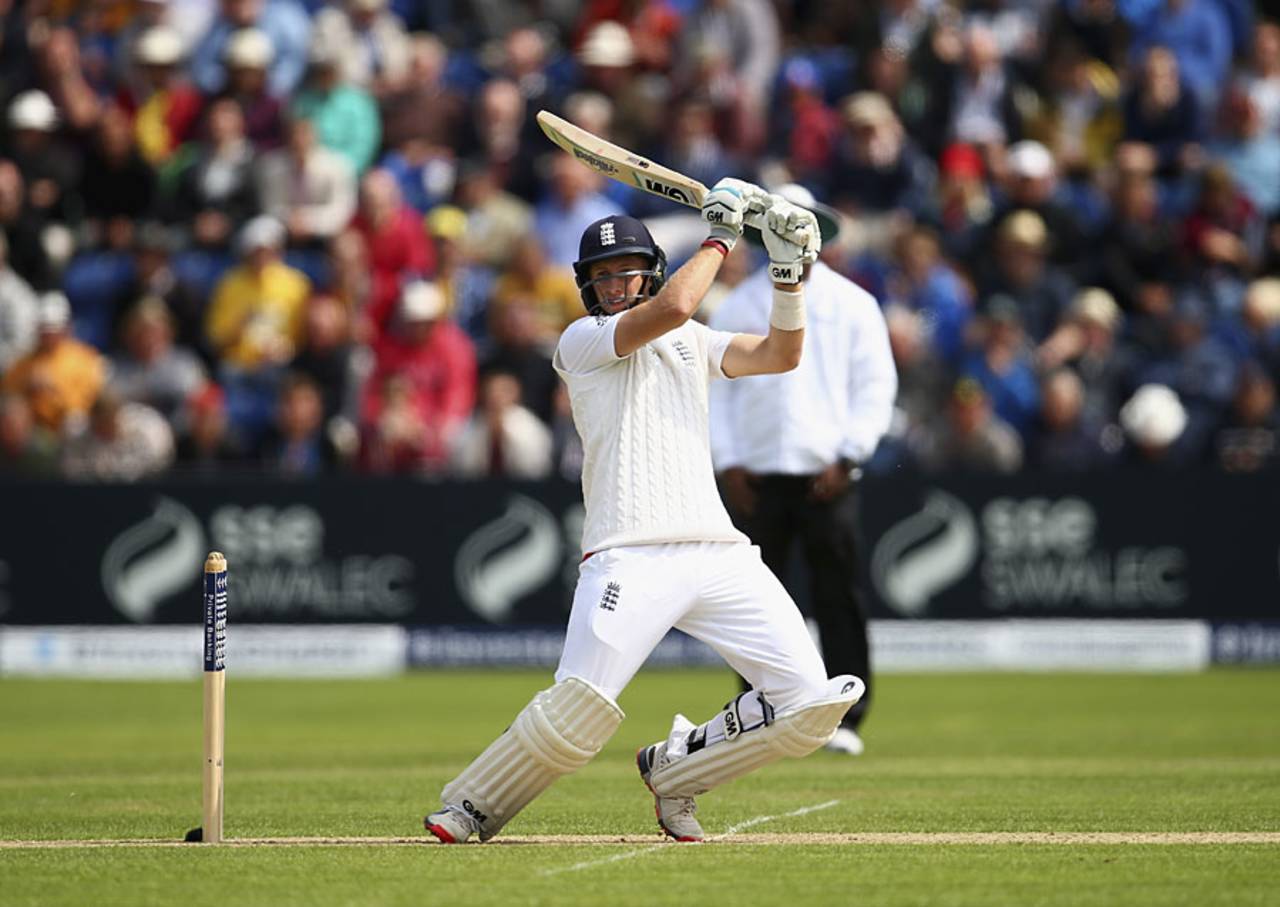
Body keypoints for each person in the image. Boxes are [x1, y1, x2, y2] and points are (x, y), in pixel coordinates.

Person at [423, 184, 864, 845]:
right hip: (627, 550)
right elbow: (678, 302)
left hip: (717, 550)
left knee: (809, 703)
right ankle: (473, 804)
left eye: (626, 269)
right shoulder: (582, 341)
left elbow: (781, 354)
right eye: (600, 275)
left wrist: (787, 272)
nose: (613, 283)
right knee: (581, 706)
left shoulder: (692, 340)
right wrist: (721, 235)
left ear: (650, 268)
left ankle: (677, 769)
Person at [709, 186, 896, 758]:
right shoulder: (739, 303)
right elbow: (715, 392)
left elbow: (875, 387)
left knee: (836, 595)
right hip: (757, 477)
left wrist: (850, 456)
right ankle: (761, 714)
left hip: (826, 475)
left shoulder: (853, 304)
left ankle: (846, 715)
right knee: (753, 605)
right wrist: (729, 462)